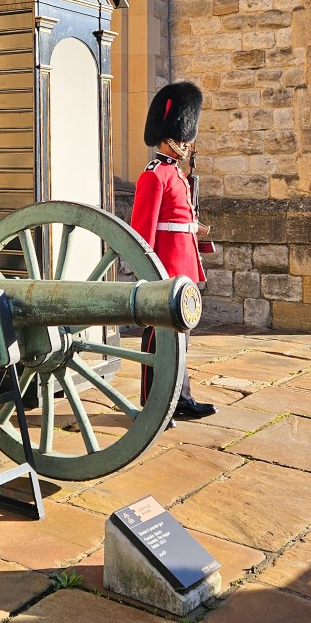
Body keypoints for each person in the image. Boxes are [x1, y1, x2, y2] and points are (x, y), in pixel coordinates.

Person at [130, 80, 217, 421]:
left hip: (183, 268)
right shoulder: (154, 176)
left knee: (181, 338)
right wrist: (149, 277)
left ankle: (180, 398)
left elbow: (181, 223)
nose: (187, 142)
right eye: (183, 136)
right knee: (159, 339)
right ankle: (156, 404)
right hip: (165, 270)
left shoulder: (176, 175)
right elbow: (142, 233)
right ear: (169, 137)